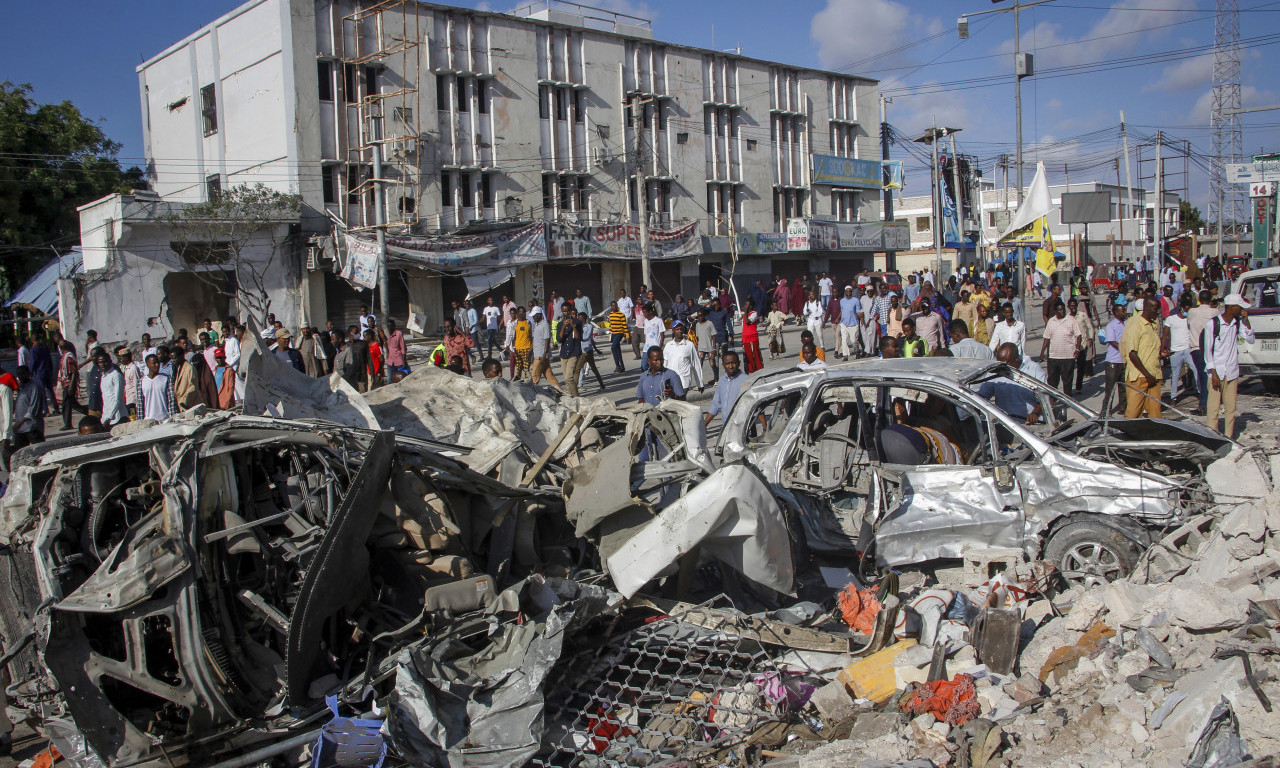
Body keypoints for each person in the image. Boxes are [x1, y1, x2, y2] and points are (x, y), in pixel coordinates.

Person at [1203, 293, 1256, 438]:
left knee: (1230, 408)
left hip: (1231, 371)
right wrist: (1213, 373)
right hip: (1216, 372)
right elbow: (1208, 352)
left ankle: (1229, 437)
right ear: (1232, 307)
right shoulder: (1213, 324)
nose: (1242, 310)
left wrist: (1246, 319)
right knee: (1213, 409)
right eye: (1240, 308)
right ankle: (1212, 437)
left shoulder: (1237, 323)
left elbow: (1251, 339)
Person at [979, 343, 1046, 425]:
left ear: (1016, 359)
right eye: (1000, 363)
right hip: (1008, 426)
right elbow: (983, 396)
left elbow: (1045, 397)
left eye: (1006, 364)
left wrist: (1035, 413)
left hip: (1031, 425)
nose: (1002, 366)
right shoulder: (996, 370)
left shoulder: (1034, 369)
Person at [1121, 297, 1164, 419]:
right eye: (1156, 309)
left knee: (1155, 413)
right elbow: (1132, 354)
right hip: (1140, 376)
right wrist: (1147, 375)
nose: (1158, 312)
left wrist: (1163, 353)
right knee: (1133, 413)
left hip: (1154, 375)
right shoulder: (1136, 325)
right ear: (1147, 309)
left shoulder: (1153, 324)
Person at [1188, 289, 1218, 415]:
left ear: (1199, 299)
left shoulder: (1192, 311)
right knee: (1208, 375)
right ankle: (1209, 403)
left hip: (1196, 348)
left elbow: (1188, 325)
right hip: (1211, 348)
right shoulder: (1215, 311)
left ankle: (1204, 404)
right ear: (1210, 299)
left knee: (1202, 376)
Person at [1040, 301, 1081, 393]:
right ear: (1055, 311)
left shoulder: (1071, 320)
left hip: (1068, 356)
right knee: (1052, 381)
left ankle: (1067, 399)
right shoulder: (1051, 321)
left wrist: (1077, 349)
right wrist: (1042, 352)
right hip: (1054, 357)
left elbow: (1078, 335)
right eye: (1059, 310)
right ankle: (1052, 399)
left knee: (1067, 381)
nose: (1062, 311)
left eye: (1063, 309)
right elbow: (1047, 337)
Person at [1162, 296, 1197, 405]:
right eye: (1186, 310)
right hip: (1175, 351)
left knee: (1195, 370)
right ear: (1181, 308)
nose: (1187, 312)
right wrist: (1163, 348)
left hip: (1187, 350)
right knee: (1175, 375)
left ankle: (1200, 392)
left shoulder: (1189, 319)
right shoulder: (1171, 319)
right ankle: (1173, 397)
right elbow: (1165, 334)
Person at [703, 350, 749, 426]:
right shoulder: (721, 381)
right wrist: (705, 424)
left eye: (733, 363)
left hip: (743, 427)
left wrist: (765, 429)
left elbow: (755, 403)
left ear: (739, 363)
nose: (731, 366)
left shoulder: (746, 380)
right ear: (723, 365)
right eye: (727, 364)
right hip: (727, 427)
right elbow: (716, 404)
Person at [663, 321, 704, 393]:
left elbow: (696, 364)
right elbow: (664, 364)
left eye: (681, 329)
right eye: (677, 329)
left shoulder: (689, 345)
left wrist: (700, 383)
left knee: (681, 400)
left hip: (684, 381)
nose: (679, 331)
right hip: (671, 382)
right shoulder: (668, 345)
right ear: (673, 330)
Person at [11, 366, 46, 449]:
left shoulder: (34, 387)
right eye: (19, 374)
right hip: (21, 429)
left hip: (32, 427)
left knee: (39, 450)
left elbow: (33, 409)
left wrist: (19, 423)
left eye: (23, 374)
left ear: (28, 374)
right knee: (19, 451)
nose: (21, 376)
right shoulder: (22, 388)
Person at [1103, 302, 1128, 415]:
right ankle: (1106, 410)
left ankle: (1123, 407)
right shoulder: (1111, 325)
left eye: (1124, 310)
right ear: (1115, 313)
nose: (1124, 312)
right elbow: (1112, 341)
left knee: (1123, 386)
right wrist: (1123, 348)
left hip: (1124, 360)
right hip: (1113, 361)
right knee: (1110, 388)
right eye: (1122, 311)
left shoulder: (1126, 324)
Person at [529, 309, 561, 391]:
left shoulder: (545, 325)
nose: (533, 317)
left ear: (539, 315)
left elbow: (547, 341)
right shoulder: (536, 325)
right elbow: (535, 339)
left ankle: (533, 392)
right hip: (537, 354)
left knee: (534, 376)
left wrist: (544, 355)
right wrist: (530, 351)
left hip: (541, 355)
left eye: (534, 316)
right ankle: (558, 390)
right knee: (549, 375)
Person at [1068, 298, 1095, 397]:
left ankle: (1079, 387)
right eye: (1071, 306)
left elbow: (1090, 327)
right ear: (1069, 307)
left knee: (1080, 367)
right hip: (1071, 346)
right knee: (1069, 369)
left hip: (1082, 345)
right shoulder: (1067, 317)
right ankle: (1068, 389)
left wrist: (1091, 338)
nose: (1073, 307)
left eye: (1074, 305)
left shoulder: (1082, 315)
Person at [138, 354, 176, 422]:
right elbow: (140, 403)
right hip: (148, 420)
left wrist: (172, 417)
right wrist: (140, 421)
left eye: (158, 362)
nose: (157, 365)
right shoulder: (141, 381)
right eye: (154, 363)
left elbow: (171, 400)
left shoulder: (166, 379)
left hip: (164, 418)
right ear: (148, 365)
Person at [577, 311, 606, 392]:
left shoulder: (589, 326)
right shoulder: (577, 327)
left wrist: (579, 337)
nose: (579, 319)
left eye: (580, 318)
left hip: (587, 351)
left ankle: (576, 387)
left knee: (579, 369)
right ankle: (580, 385)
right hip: (581, 350)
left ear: (584, 319)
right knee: (581, 369)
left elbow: (588, 337)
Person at [97, 351, 128, 427]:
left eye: (105, 362)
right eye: (100, 362)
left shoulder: (116, 375)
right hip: (107, 416)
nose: (103, 364)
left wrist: (109, 418)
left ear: (110, 361)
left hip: (118, 417)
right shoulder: (103, 376)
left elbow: (118, 399)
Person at [56, 340, 80, 431]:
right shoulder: (65, 356)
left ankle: (67, 423)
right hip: (66, 383)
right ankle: (90, 412)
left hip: (69, 383)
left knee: (66, 404)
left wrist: (71, 385)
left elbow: (74, 372)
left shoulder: (68, 357)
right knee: (73, 404)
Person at [836, 286, 861, 360]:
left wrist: (862, 318)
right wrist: (838, 318)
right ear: (845, 292)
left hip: (853, 323)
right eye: (847, 291)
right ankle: (845, 355)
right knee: (844, 340)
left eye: (850, 291)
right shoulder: (842, 301)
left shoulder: (855, 300)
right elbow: (842, 311)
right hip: (844, 323)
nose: (848, 293)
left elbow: (858, 311)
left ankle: (857, 351)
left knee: (853, 341)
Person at [740, 300, 764, 374]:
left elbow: (748, 322)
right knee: (748, 356)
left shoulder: (754, 314)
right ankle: (750, 370)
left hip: (752, 338)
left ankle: (758, 370)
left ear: (750, 306)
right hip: (745, 339)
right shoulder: (744, 316)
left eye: (747, 305)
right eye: (745, 305)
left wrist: (746, 312)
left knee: (755, 355)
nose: (745, 306)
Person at [606, 301, 630, 373]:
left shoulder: (621, 314)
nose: (614, 307)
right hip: (613, 333)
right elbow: (610, 325)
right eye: (612, 306)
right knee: (617, 349)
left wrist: (627, 335)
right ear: (611, 307)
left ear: (617, 306)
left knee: (613, 347)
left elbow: (624, 325)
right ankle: (622, 366)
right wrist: (610, 335)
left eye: (615, 305)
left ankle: (617, 365)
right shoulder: (611, 314)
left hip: (620, 333)